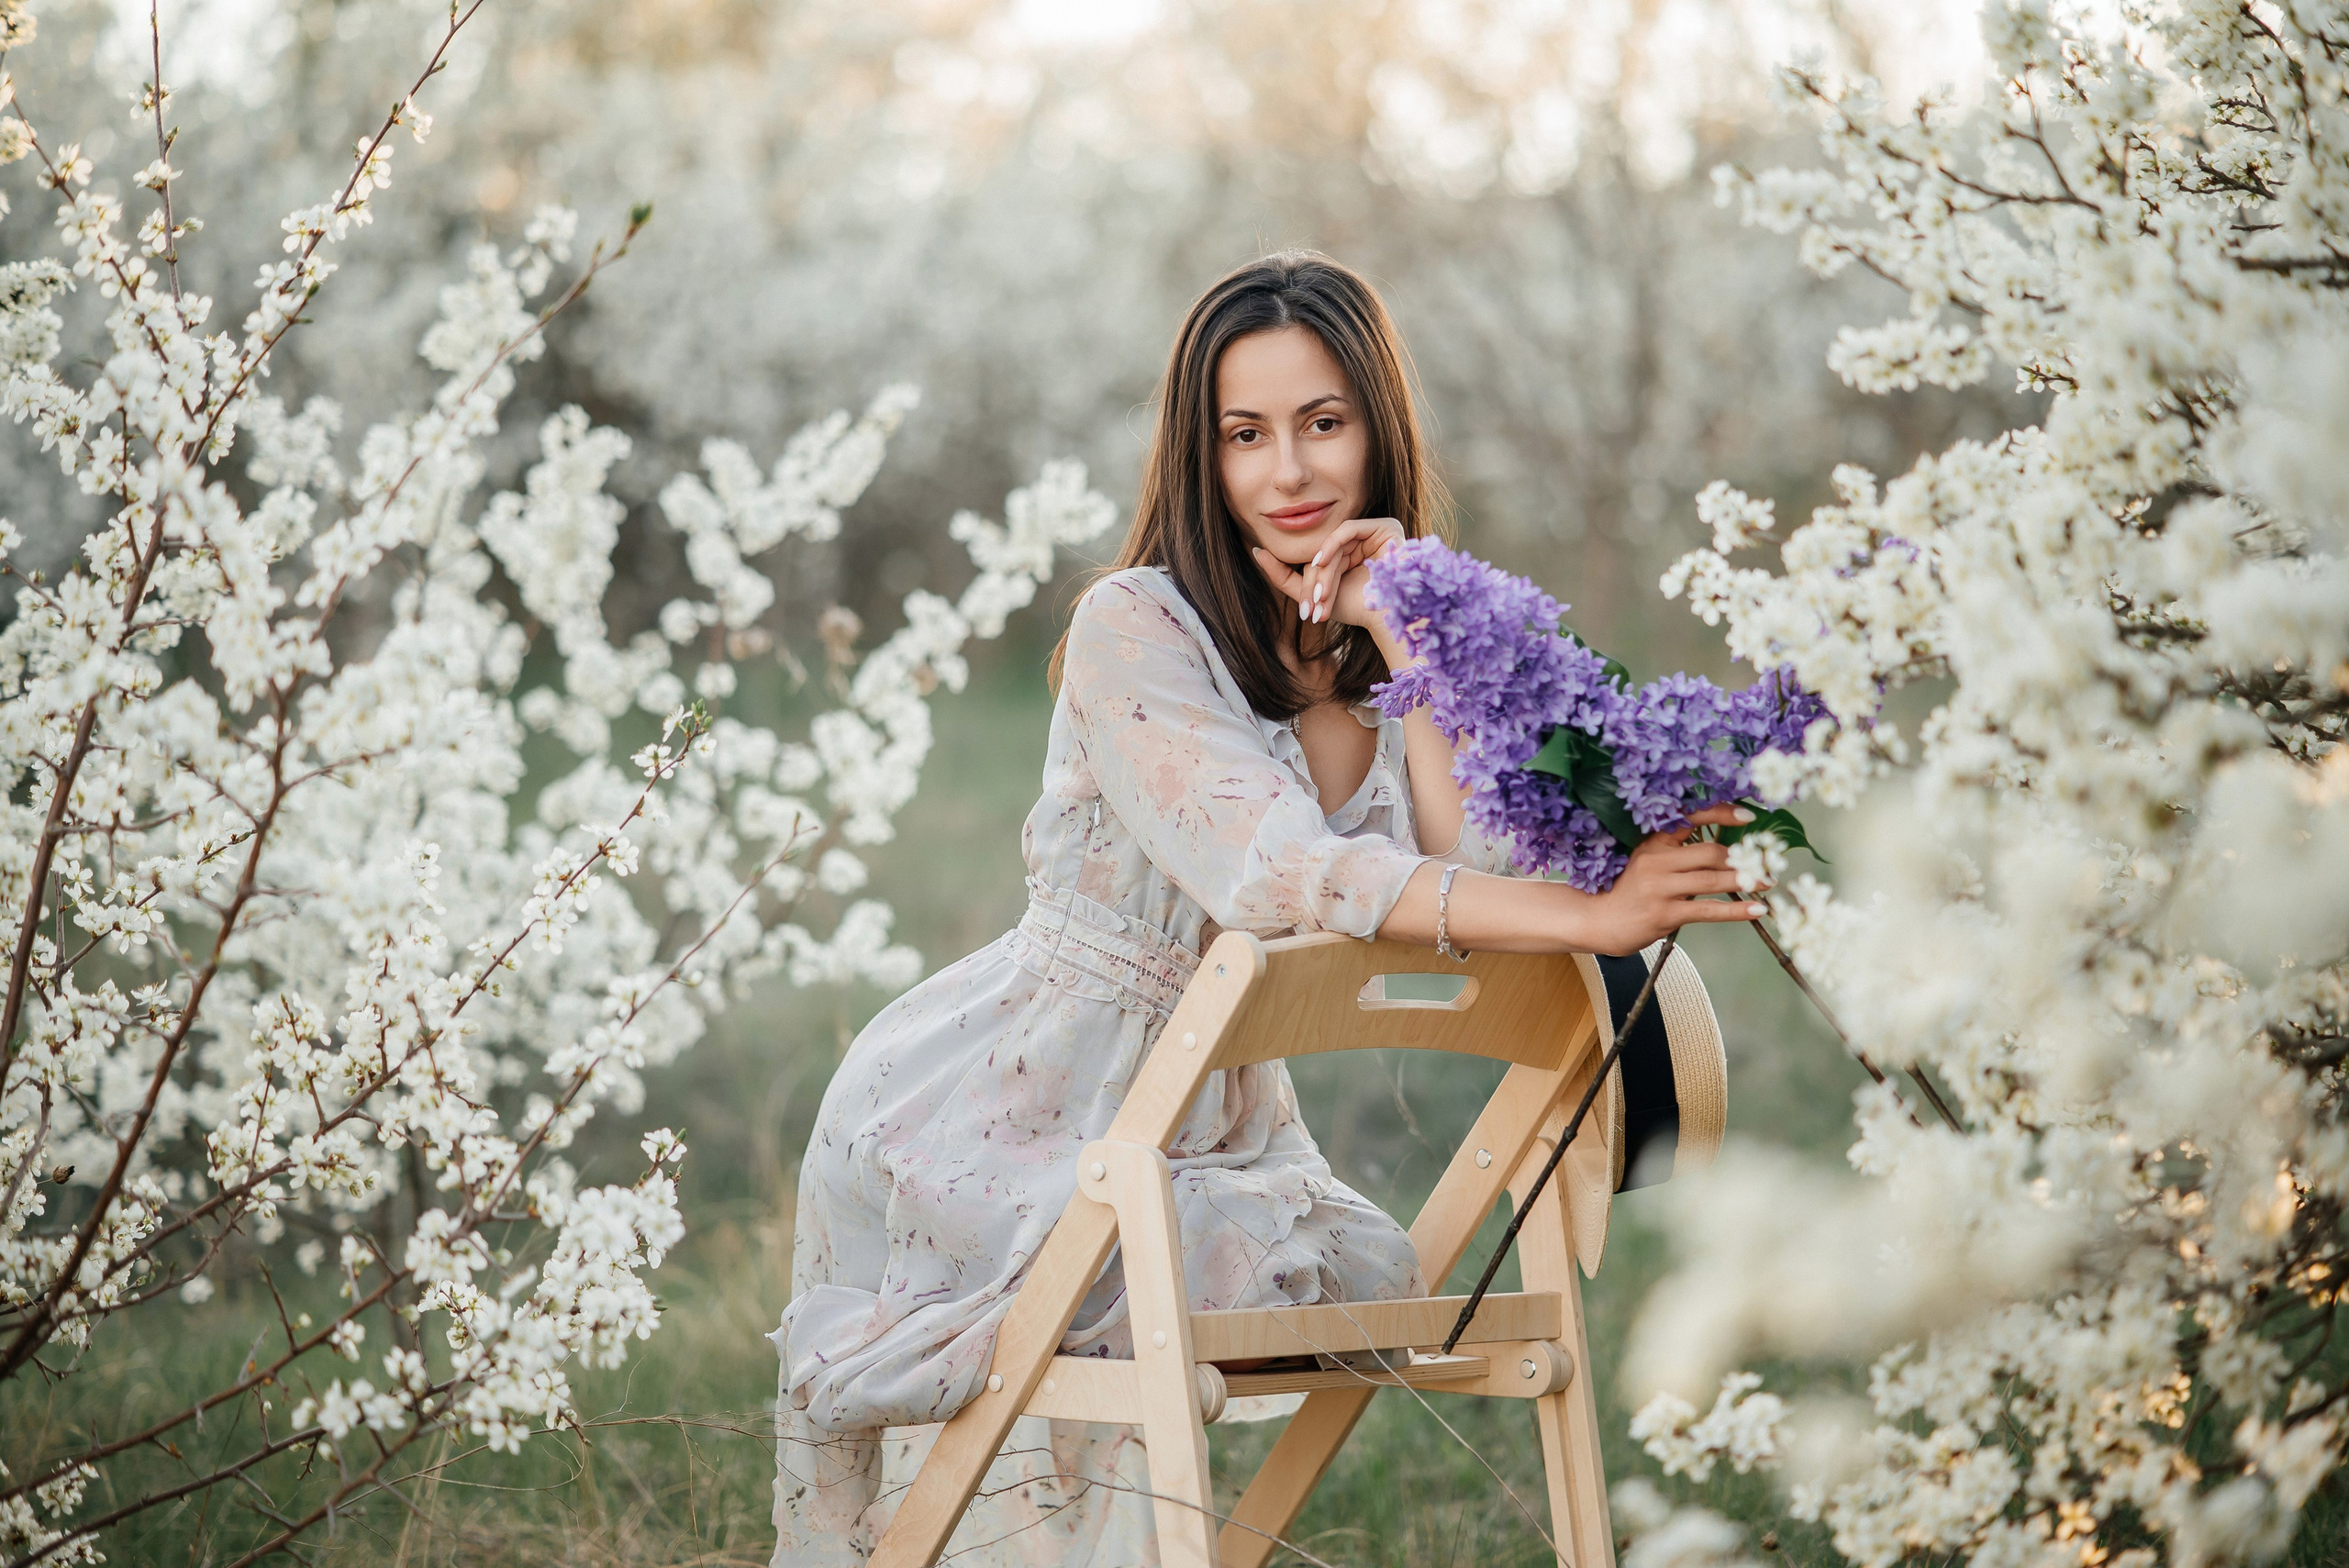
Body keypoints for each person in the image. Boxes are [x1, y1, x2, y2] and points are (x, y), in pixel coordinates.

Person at [769, 251, 1761, 1565]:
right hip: (1017, 1114)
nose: (1289, 473)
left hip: (1213, 1121)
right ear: (1201, 452)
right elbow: (1278, 869)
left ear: (1377, 432)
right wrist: (1594, 921)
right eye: (1246, 434)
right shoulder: (1135, 626)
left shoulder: (1365, 657)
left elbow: (1457, 857)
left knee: (1336, 1277)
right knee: (1013, 1477)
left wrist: (1410, 632)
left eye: (1324, 423)